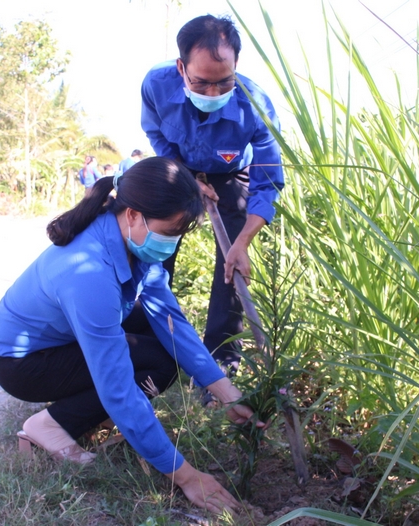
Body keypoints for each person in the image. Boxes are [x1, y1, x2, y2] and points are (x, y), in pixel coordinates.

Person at [0, 157, 264, 514]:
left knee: (162, 342)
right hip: (22, 364)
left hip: (59, 340)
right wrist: (189, 478)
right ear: (133, 214)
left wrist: (224, 391)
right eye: (170, 230)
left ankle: (89, 416)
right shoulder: (88, 272)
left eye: (179, 233)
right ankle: (50, 425)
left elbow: (169, 319)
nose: (172, 242)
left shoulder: (132, 242)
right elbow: (117, 386)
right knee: (146, 370)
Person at [141, 15, 284, 386]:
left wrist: (243, 242)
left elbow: (267, 181)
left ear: (236, 66)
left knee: (231, 266)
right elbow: (156, 133)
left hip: (233, 173)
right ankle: (148, 342)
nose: (211, 92)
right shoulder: (156, 84)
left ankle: (221, 360)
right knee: (156, 245)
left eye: (223, 81)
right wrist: (185, 176)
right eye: (200, 82)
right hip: (179, 164)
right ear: (181, 68)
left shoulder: (256, 107)